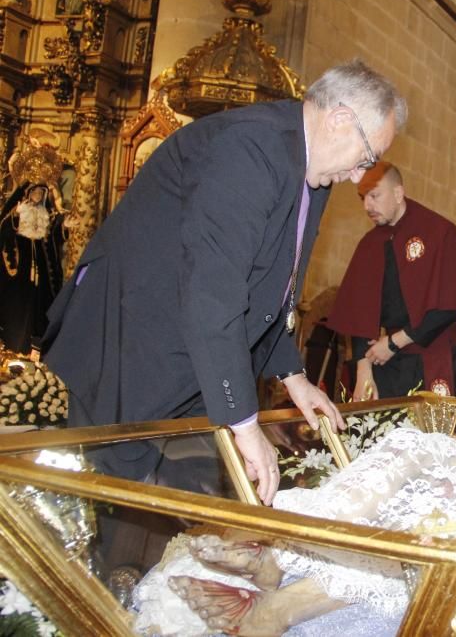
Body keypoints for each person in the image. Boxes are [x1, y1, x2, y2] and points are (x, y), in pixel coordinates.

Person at [43, 59, 407, 506]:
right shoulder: (250, 147)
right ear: (340, 119)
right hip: (131, 349)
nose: (358, 175)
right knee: (122, 507)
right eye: (366, 159)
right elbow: (214, 292)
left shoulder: (307, 166)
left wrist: (294, 377)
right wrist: (244, 423)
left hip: (193, 353)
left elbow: (272, 285)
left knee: (194, 507)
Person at [133, 379, 456, 636]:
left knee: (434, 508)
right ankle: (280, 588)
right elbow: (444, 460)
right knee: (416, 513)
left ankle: (282, 558)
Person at [327, 161, 456, 400]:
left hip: (437, 355)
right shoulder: (369, 245)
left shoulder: (440, 233)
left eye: (375, 196)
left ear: (398, 193)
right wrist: (363, 372)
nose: (367, 206)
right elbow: (359, 317)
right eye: (363, 198)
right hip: (389, 361)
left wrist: (395, 342)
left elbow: (449, 305)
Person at [1, 162, 72, 354]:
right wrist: (15, 216)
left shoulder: (45, 216)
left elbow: (53, 238)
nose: (38, 196)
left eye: (42, 193)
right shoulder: (17, 213)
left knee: (39, 310)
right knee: (18, 311)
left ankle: (34, 350)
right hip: (18, 274)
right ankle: (13, 346)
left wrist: (64, 227)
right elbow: (5, 232)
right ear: (27, 194)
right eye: (35, 193)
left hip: (41, 274)